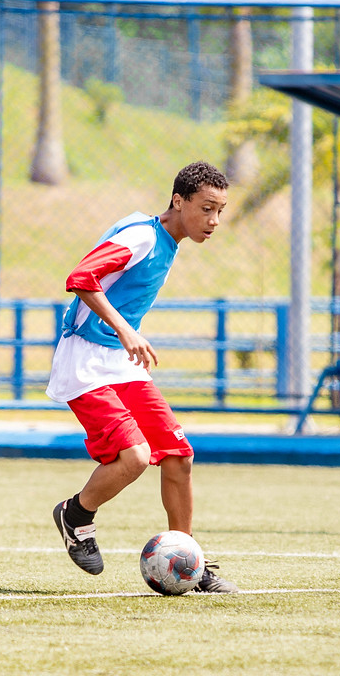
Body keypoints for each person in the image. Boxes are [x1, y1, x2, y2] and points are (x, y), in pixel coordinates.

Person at [45, 161, 240, 594]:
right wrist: (125, 328)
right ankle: (76, 516)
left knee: (178, 456)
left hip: (118, 360)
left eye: (220, 211)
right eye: (207, 209)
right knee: (133, 457)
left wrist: (124, 335)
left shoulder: (166, 240)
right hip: (87, 360)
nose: (214, 221)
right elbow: (80, 278)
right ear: (179, 201)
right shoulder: (142, 236)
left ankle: (190, 560)